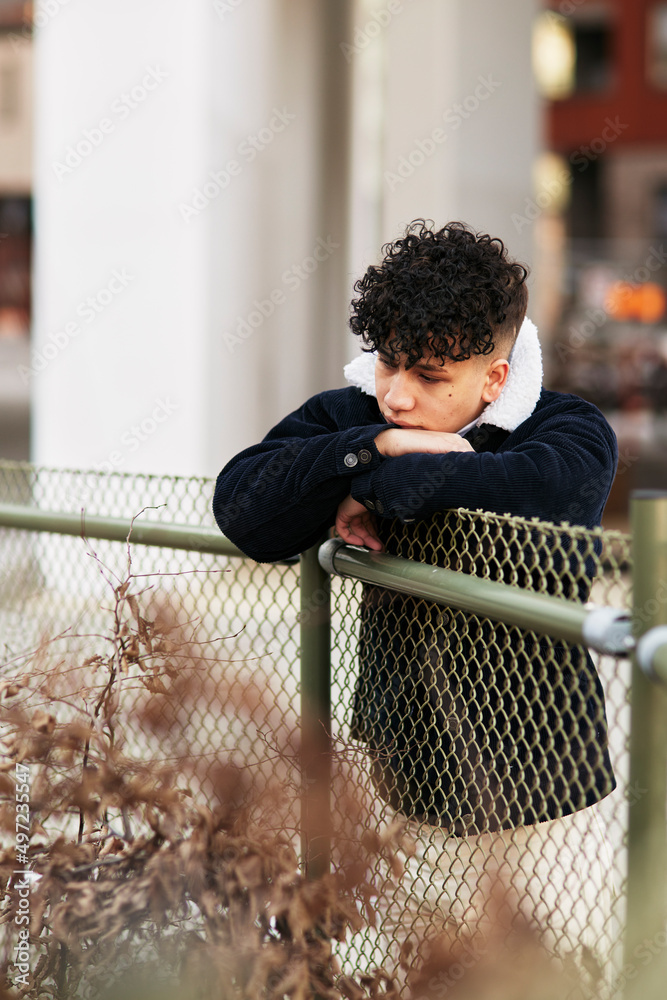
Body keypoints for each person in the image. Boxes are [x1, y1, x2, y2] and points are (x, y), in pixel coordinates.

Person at [212, 221, 619, 985]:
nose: (396, 395)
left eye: (430, 378)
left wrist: (363, 485)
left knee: (557, 983)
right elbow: (242, 508)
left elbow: (534, 488)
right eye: (388, 363)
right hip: (410, 781)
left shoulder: (568, 429)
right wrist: (376, 449)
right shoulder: (363, 416)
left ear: (494, 379)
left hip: (544, 793)